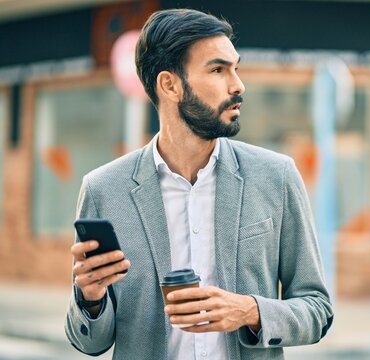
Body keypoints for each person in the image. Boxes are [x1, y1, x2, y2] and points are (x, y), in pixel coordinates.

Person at [65, 8, 333, 360]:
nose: (238, 85)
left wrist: (250, 310)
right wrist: (90, 298)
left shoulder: (276, 177)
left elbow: (317, 310)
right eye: (218, 69)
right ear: (170, 85)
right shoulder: (104, 190)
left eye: (235, 68)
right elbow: (90, 344)